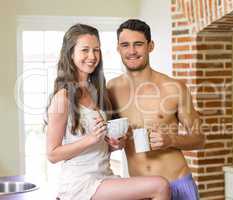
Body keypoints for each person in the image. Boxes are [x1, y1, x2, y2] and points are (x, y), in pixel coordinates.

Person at [46, 23, 170, 200]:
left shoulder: (96, 91)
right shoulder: (62, 98)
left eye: (96, 50)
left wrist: (114, 145)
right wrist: (91, 139)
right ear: (70, 53)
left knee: (156, 187)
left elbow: (98, 147)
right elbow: (52, 154)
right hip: (81, 183)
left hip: (104, 175)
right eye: (85, 50)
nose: (92, 56)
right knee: (160, 186)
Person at [107, 19, 205, 200]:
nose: (132, 51)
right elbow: (107, 141)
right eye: (125, 45)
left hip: (176, 185)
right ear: (118, 48)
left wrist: (171, 140)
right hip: (138, 190)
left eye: (138, 44)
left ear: (150, 46)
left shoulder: (174, 88)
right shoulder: (111, 89)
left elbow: (200, 139)